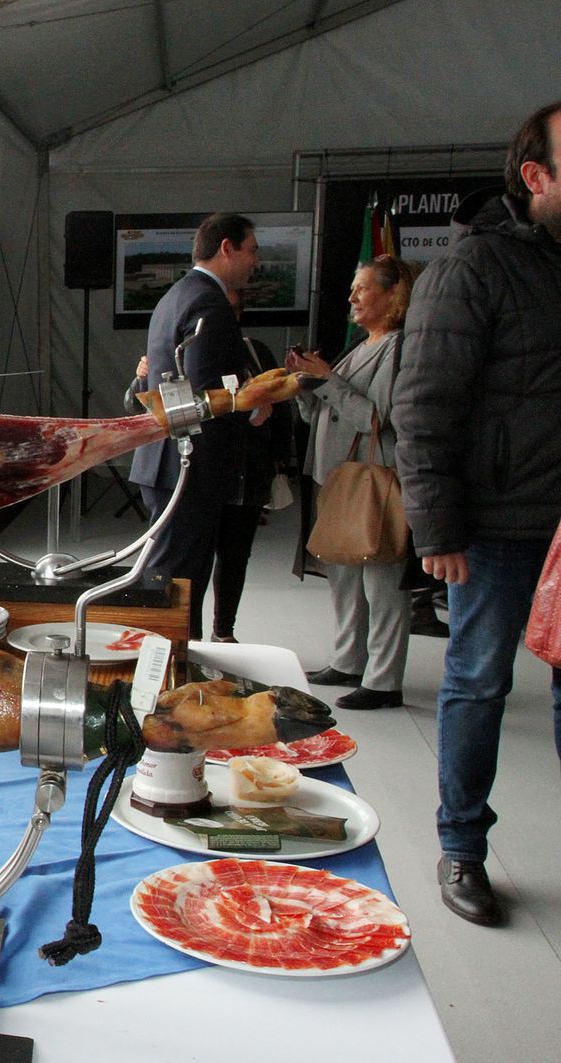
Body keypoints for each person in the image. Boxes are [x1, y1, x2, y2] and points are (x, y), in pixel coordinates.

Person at [394, 100, 561, 929]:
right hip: (497, 524)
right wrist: (440, 528)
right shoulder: (476, 265)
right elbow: (423, 401)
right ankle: (462, 845)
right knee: (478, 680)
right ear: (537, 177)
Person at [123, 286, 292, 643]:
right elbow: (139, 409)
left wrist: (273, 442)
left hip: (242, 472)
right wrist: (142, 378)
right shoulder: (176, 356)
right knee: (184, 565)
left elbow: (280, 409)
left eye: (224, 314)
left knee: (231, 555)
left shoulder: (253, 352)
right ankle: (187, 639)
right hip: (194, 470)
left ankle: (221, 632)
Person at [290, 253, 421, 710]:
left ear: (393, 296)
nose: (352, 297)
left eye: (362, 288)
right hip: (339, 478)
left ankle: (384, 680)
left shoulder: (399, 347)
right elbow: (331, 410)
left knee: (381, 579)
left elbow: (376, 418)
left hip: (376, 480)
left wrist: (327, 381)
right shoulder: (361, 346)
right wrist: (306, 389)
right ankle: (349, 659)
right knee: (343, 573)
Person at [127, 213, 260, 640]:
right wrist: (252, 403)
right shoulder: (207, 301)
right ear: (227, 248)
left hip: (170, 459)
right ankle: (163, 679)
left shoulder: (176, 295)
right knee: (176, 583)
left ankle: (176, 668)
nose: (255, 261)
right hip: (188, 464)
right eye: (252, 250)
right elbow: (204, 391)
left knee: (177, 578)